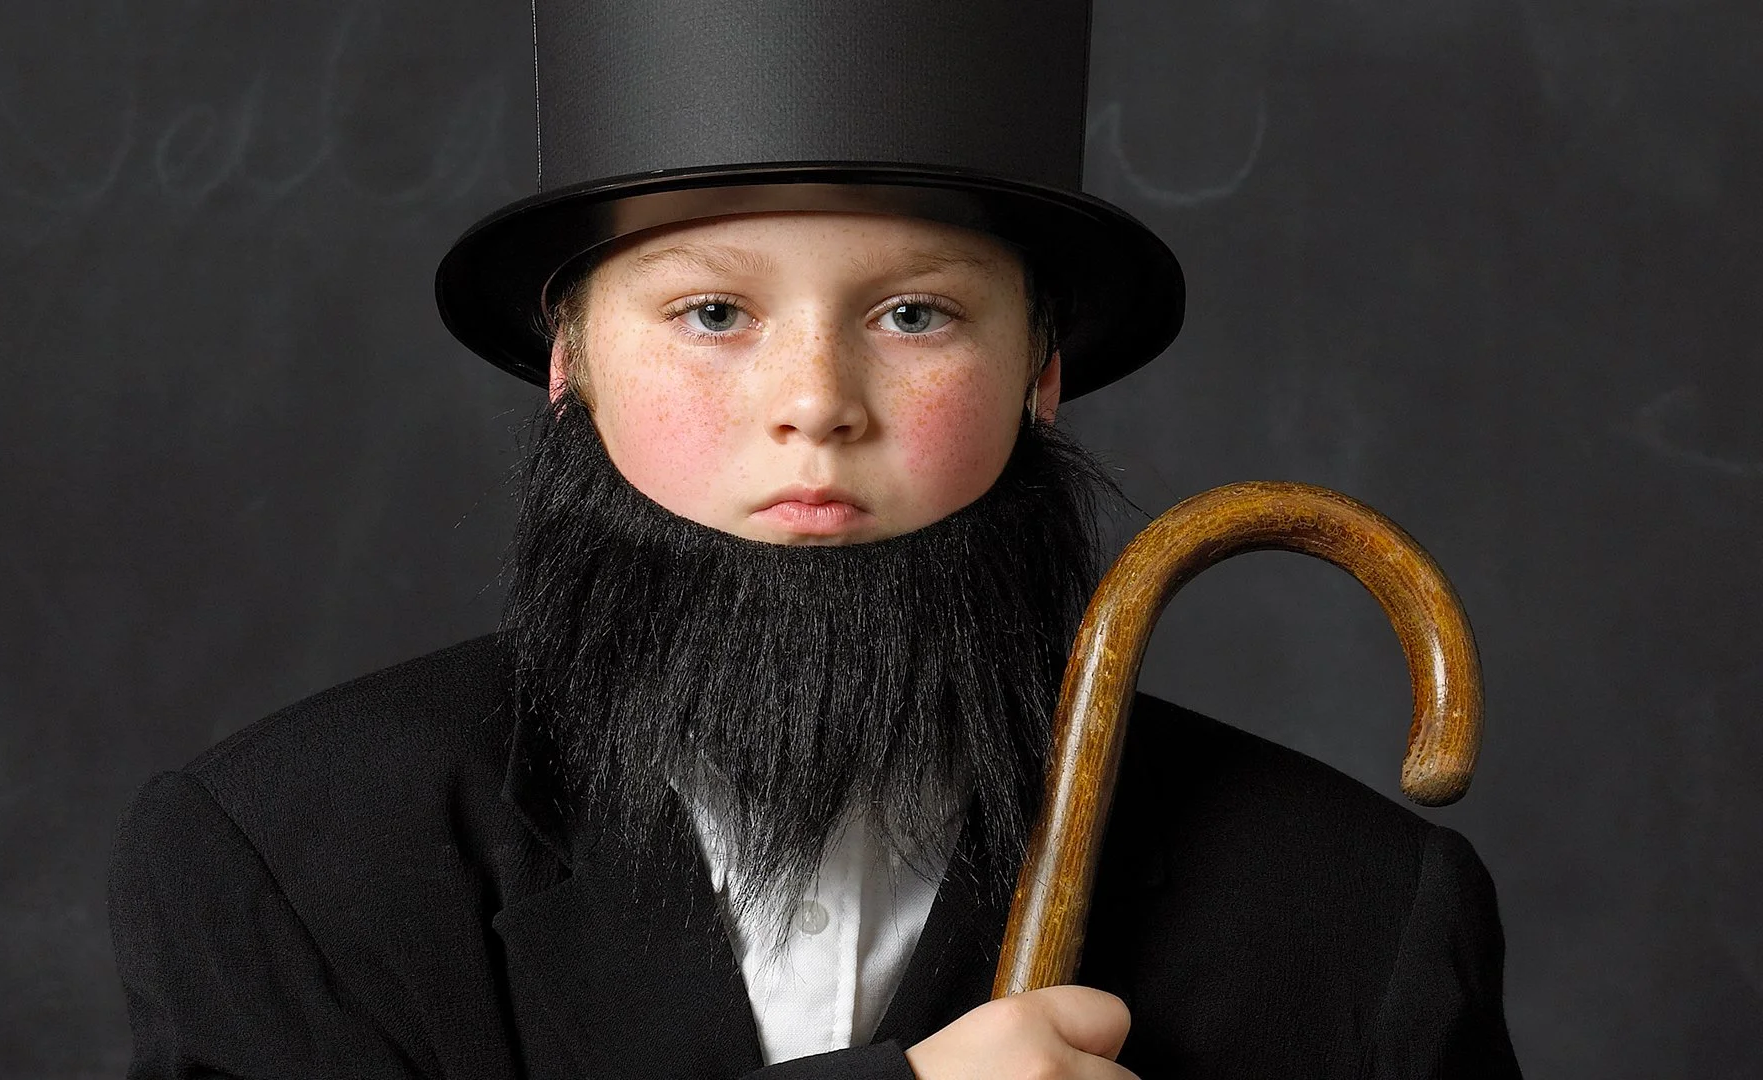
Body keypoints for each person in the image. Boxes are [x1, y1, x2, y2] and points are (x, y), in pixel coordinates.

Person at [107, 2, 1523, 1078]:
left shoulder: (1358, 914)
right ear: (569, 361)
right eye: (712, 313)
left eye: (916, 315)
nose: (815, 408)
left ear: (1043, 369)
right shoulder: (296, 855)